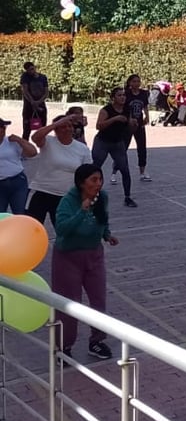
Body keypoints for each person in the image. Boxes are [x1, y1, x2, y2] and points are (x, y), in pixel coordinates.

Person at [52, 163, 118, 362]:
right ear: (82, 183)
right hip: (68, 257)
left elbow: (103, 219)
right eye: (93, 180)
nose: (98, 184)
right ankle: (63, 346)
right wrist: (81, 211)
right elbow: (61, 229)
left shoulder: (102, 197)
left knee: (98, 300)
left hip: (94, 255)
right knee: (69, 303)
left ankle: (97, 341)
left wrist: (107, 235)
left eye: (100, 179)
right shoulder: (67, 201)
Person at [28, 113, 91, 226]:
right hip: (42, 191)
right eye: (63, 126)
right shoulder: (48, 141)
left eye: (69, 126)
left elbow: (87, 174)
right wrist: (56, 123)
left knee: (63, 229)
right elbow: (35, 137)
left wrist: (86, 196)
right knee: (32, 227)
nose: (67, 129)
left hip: (66, 196)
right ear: (55, 130)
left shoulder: (82, 149)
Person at [91, 88, 137, 208]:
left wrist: (133, 124)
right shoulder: (106, 110)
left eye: (124, 95)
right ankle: (91, 196)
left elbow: (130, 128)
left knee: (125, 170)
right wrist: (114, 119)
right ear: (113, 98)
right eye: (119, 95)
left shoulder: (127, 109)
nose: (122, 97)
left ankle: (127, 197)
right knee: (95, 169)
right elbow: (99, 126)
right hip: (102, 142)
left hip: (117, 143)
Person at [0, 118, 37, 213]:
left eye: (3, 128)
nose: (2, 131)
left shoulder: (11, 142)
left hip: (17, 181)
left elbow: (33, 152)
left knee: (20, 212)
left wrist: (20, 140)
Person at [121, 74, 151, 181]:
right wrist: (129, 119)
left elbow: (145, 106)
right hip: (128, 124)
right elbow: (124, 108)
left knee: (142, 147)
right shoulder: (126, 94)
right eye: (134, 81)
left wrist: (147, 116)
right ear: (129, 82)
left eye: (138, 81)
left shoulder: (143, 93)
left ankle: (142, 171)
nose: (136, 83)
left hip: (139, 123)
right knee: (123, 147)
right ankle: (115, 170)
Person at [20, 61, 48, 140]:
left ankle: (43, 145)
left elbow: (46, 92)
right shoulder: (25, 76)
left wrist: (39, 102)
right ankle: (25, 146)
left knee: (42, 129)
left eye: (32, 69)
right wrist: (32, 101)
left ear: (34, 67)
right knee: (26, 130)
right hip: (28, 107)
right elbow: (25, 91)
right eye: (29, 70)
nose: (31, 71)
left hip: (41, 105)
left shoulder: (43, 77)